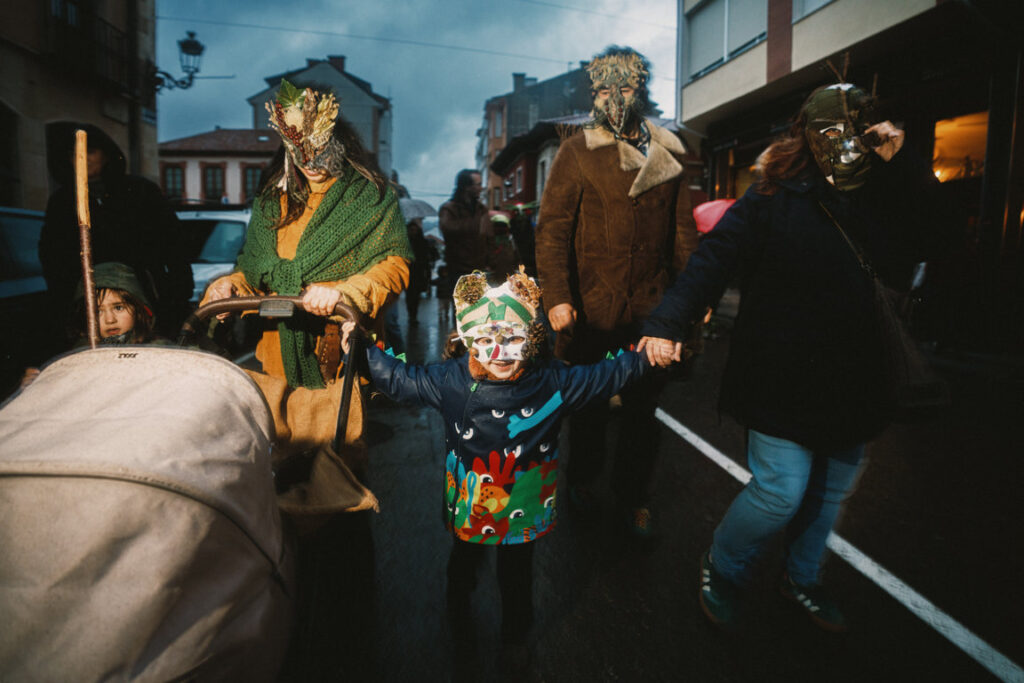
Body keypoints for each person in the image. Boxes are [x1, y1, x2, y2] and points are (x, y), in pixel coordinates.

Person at [639, 82, 953, 631]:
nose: (844, 143)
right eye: (830, 131)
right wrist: (668, 321)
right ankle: (724, 566)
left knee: (829, 492)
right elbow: (712, 261)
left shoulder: (887, 196)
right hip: (782, 376)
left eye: (855, 130)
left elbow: (939, 238)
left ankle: (801, 578)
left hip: (858, 377)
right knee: (781, 493)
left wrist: (904, 164)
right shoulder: (771, 198)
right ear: (808, 136)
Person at [340, 270, 655, 680]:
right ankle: (458, 608)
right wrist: (360, 350)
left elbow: (603, 377)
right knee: (464, 561)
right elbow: (401, 380)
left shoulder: (552, 383)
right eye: (486, 341)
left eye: (512, 339)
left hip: (522, 506)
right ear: (468, 340)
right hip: (472, 504)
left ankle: (514, 637)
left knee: (516, 575)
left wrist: (646, 356)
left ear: (532, 338)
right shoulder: (451, 380)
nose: (500, 353)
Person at [534, 46, 699, 539]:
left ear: (640, 90)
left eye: (624, 87)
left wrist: (692, 298)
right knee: (586, 410)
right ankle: (582, 482)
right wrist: (557, 297)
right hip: (591, 309)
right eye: (604, 88)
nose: (614, 97)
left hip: (651, 310)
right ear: (594, 93)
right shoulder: (577, 150)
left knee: (642, 415)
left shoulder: (667, 151)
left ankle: (633, 500)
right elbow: (552, 230)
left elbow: (683, 234)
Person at [202, 79, 412, 391]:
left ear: (337, 141)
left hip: (341, 355)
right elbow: (253, 270)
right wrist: (228, 286)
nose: (309, 160)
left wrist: (346, 293)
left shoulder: (372, 197)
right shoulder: (273, 203)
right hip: (275, 358)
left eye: (319, 147)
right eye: (298, 148)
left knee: (339, 438)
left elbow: (394, 267)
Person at [39, 124, 194, 340]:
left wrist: (178, 292)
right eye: (74, 154)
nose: (83, 158)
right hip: (91, 305)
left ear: (106, 155)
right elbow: (52, 257)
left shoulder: (141, 191)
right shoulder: (62, 202)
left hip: (147, 298)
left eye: (90, 151)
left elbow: (174, 244)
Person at [21, 262, 165, 387]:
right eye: (97, 312)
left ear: (139, 310)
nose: (110, 320)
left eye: (118, 307)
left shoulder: (159, 350)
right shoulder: (78, 356)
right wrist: (37, 385)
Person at [439, 169, 489, 295]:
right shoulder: (449, 208)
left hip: (479, 270)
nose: (481, 188)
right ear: (467, 187)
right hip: (458, 271)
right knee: (461, 311)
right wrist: (479, 223)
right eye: (478, 184)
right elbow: (448, 228)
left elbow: (488, 238)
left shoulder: (481, 209)